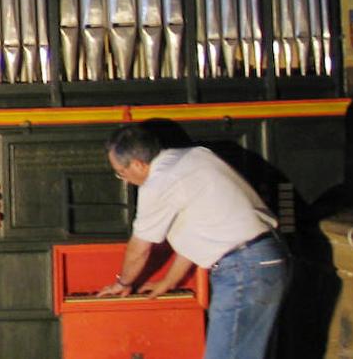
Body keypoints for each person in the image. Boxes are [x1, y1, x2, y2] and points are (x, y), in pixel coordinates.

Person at [96, 123, 289, 359]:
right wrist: (168, 282)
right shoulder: (195, 156)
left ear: (137, 164)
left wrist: (122, 282)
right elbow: (198, 237)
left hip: (243, 268)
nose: (124, 180)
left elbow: (140, 248)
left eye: (121, 173)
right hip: (266, 259)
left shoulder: (159, 182)